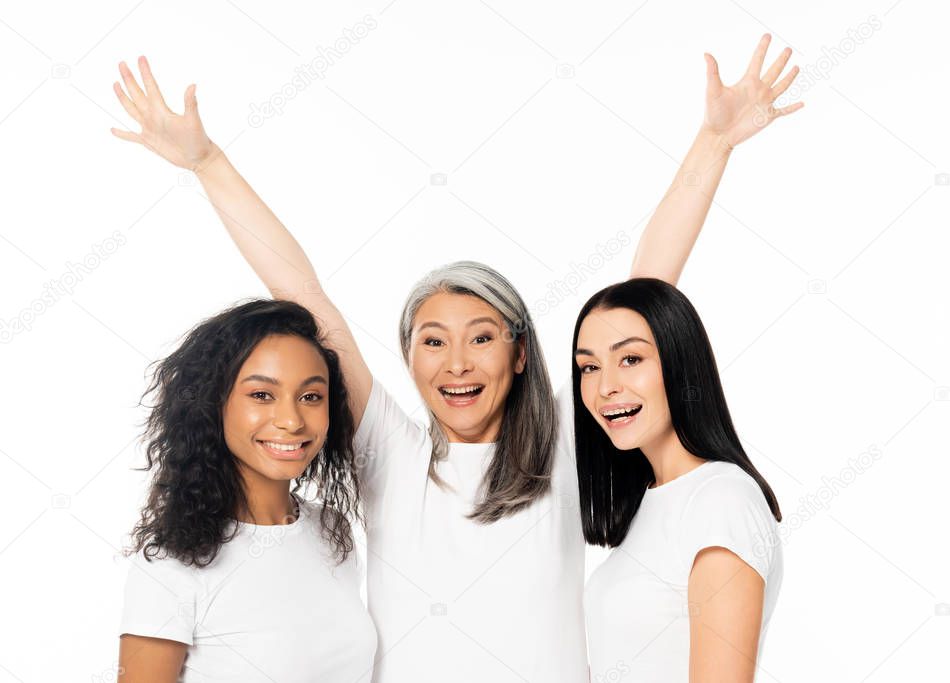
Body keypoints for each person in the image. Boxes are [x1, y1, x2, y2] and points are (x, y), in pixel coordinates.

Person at [109, 33, 801, 682]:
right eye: (432, 341)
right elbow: (303, 294)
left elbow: (644, 295)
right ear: (407, 359)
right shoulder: (388, 453)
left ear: (521, 354)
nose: (457, 363)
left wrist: (712, 143)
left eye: (481, 336)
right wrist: (207, 163)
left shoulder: (562, 447)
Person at [117, 300, 376, 682]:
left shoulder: (331, 531)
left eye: (310, 396)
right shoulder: (173, 565)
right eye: (261, 395)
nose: (291, 420)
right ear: (213, 405)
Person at [574, 279, 783, 682]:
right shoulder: (653, 501)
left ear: (680, 362)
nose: (605, 387)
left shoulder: (721, 500)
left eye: (631, 359)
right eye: (589, 367)